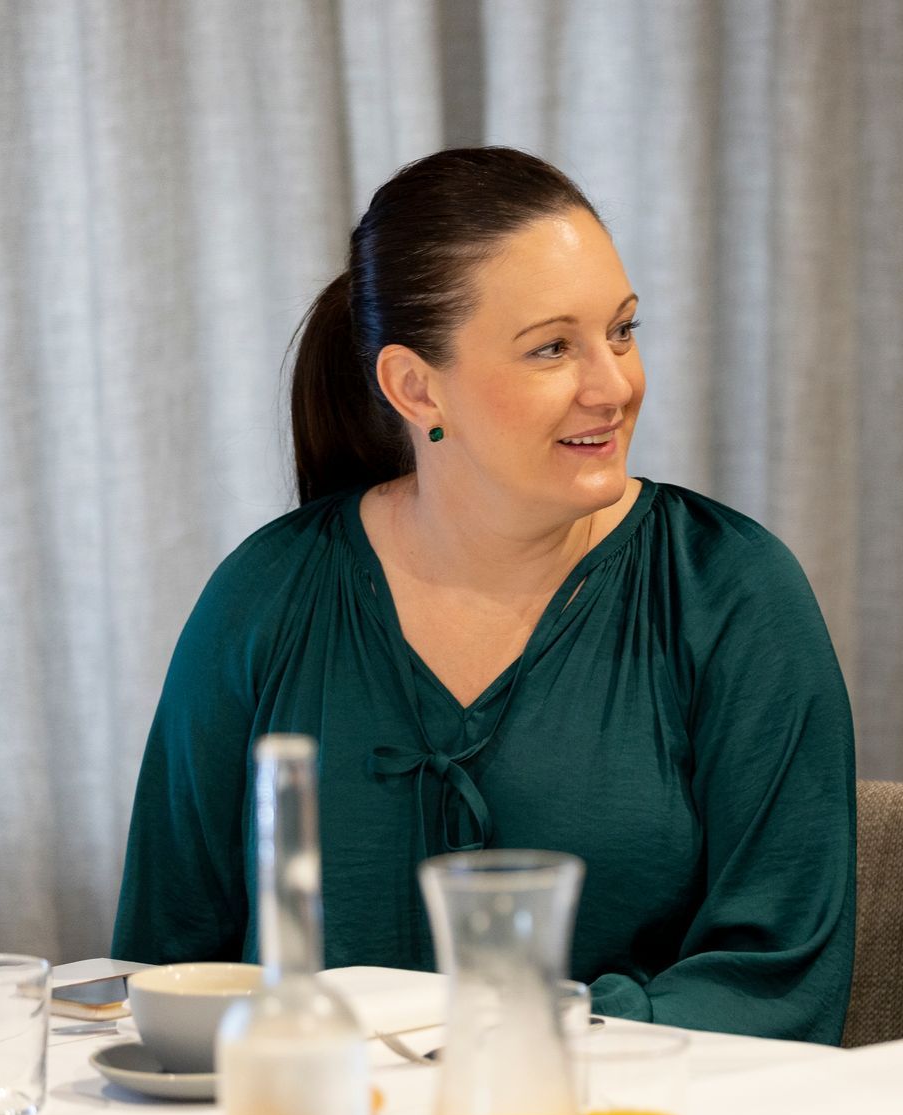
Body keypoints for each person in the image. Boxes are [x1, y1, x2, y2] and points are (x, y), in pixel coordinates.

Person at [112, 148, 856, 1044]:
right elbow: (163, 971)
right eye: (552, 347)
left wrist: (510, 1046)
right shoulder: (263, 599)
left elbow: (779, 984)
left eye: (621, 331)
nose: (614, 384)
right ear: (415, 386)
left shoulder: (732, 593)